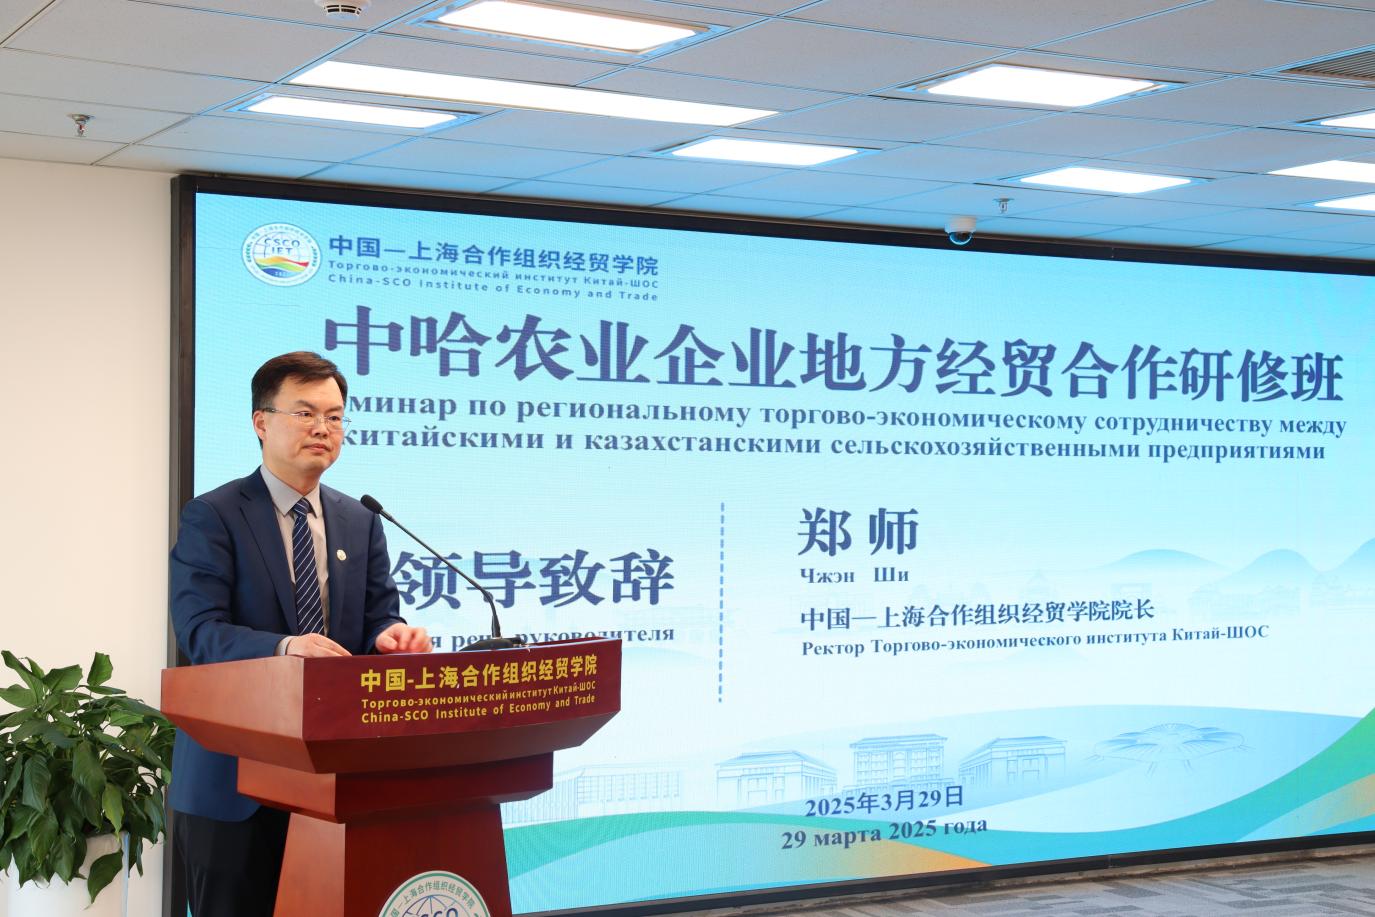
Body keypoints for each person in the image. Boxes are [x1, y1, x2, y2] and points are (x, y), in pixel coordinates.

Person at [168, 351, 431, 917]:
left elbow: (378, 617)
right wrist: (287, 648)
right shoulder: (213, 516)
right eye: (305, 413)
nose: (322, 429)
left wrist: (392, 637)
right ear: (261, 422)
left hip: (332, 783)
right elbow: (200, 633)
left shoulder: (361, 520)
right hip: (235, 782)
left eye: (334, 417)